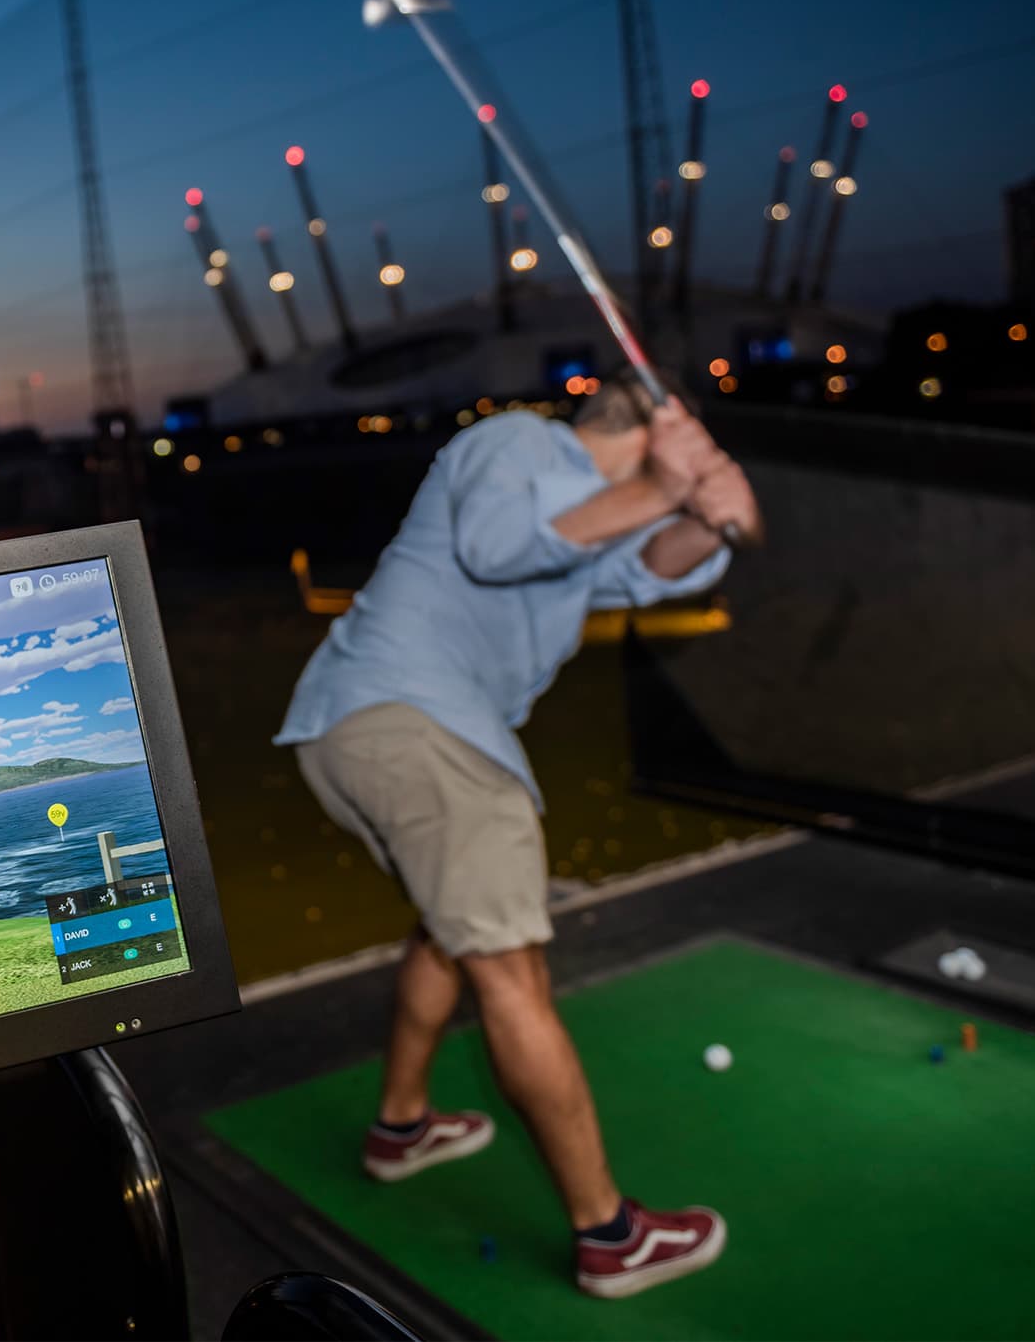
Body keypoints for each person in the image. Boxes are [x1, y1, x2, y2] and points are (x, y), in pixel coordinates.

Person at [275, 378, 757, 1300]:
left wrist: (715, 522)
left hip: (363, 731)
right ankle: (609, 1235)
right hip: (420, 725)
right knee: (511, 969)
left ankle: (403, 1126)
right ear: (654, 424)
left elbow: (649, 564)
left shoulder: (589, 511)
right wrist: (668, 483)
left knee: (451, 934)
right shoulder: (523, 446)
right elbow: (502, 548)